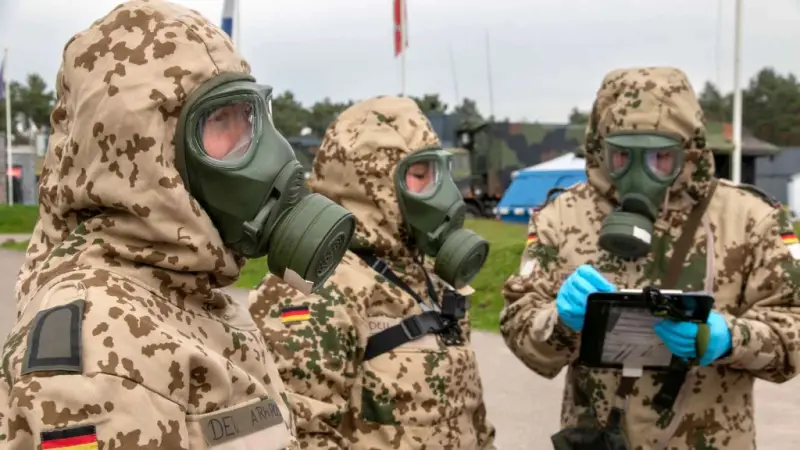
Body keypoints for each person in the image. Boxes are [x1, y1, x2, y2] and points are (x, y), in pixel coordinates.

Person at [0, 1, 356, 449]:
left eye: (248, 117)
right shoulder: (101, 344)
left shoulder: (190, 298)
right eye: (219, 120)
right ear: (146, 151)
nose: (259, 146)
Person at [500, 66, 800, 450]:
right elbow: (522, 332)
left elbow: (791, 330)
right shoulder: (563, 217)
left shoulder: (749, 219)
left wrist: (728, 338)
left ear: (688, 153)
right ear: (599, 148)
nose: (642, 172)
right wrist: (560, 320)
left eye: (661, 156)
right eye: (623, 155)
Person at [249, 95, 497, 449]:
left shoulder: (429, 280)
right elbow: (301, 435)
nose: (443, 192)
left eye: (438, 174)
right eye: (420, 175)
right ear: (374, 183)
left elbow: (472, 418)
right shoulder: (315, 288)